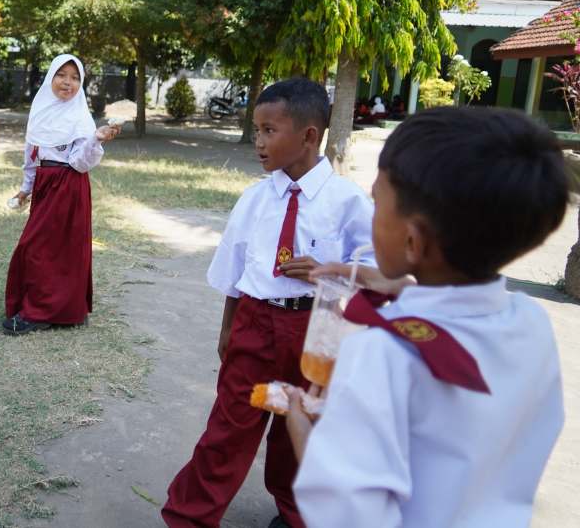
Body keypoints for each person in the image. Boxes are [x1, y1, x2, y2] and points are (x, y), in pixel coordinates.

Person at [284, 107, 568, 528]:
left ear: (413, 241)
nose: (370, 203)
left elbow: (346, 515)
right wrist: (396, 284)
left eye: (376, 198)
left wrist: (307, 440)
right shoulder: (531, 323)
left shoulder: (380, 354)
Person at [162, 77, 375, 528]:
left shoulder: (348, 202)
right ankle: (189, 516)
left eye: (269, 131)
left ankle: (296, 512)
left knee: (301, 427)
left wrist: (329, 271)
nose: (258, 142)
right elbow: (234, 271)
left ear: (309, 136)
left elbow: (377, 270)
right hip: (255, 324)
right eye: (256, 130)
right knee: (229, 426)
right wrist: (228, 327)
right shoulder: (255, 199)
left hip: (317, 328)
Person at [3, 54, 120, 336]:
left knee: (51, 249)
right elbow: (32, 157)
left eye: (75, 77)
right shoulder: (40, 109)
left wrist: (96, 139)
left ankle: (41, 312)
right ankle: (54, 309)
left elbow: (80, 162)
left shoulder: (80, 117)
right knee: (39, 248)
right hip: (44, 185)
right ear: (50, 77)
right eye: (62, 75)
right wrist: (25, 189)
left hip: (68, 185)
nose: (68, 82)